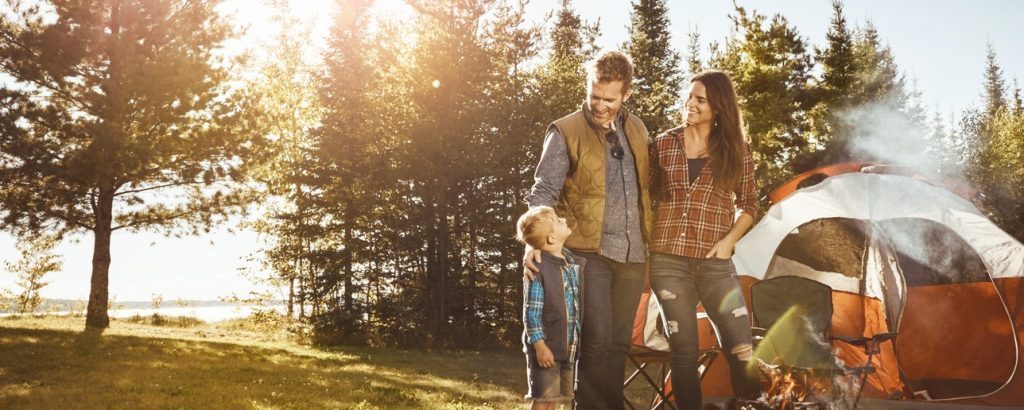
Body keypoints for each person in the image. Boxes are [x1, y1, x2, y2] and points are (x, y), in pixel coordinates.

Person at [524, 50, 651, 409]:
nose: (599, 105)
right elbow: (543, 190)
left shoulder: (638, 129)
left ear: (626, 94)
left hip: (633, 253)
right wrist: (532, 242)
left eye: (609, 99)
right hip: (586, 252)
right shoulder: (565, 130)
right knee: (596, 343)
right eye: (594, 96)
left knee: (618, 345)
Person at [648, 69, 762, 409]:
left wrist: (730, 240)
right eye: (690, 97)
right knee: (683, 351)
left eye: (701, 100)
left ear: (719, 108)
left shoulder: (738, 150)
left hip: (716, 263)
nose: (691, 105)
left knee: (741, 346)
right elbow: (645, 191)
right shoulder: (664, 143)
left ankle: (752, 404)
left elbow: (751, 204)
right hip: (668, 260)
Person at [516, 206, 584, 409]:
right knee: (543, 400)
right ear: (552, 238)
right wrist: (539, 346)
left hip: (568, 348)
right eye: (557, 220)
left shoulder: (571, 263)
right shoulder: (538, 268)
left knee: (557, 400)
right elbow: (532, 313)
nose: (563, 218)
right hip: (547, 348)